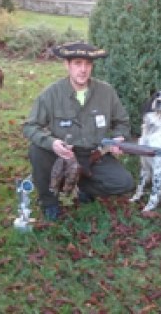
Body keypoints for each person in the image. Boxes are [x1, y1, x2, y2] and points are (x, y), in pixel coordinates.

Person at [23, 42, 134, 221]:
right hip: (62, 155)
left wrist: (119, 138)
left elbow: (122, 122)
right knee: (37, 151)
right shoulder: (51, 94)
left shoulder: (106, 92)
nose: (83, 69)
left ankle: (81, 186)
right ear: (67, 65)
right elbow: (30, 127)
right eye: (77, 63)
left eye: (88, 64)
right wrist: (52, 143)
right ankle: (49, 200)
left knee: (124, 183)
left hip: (93, 156)